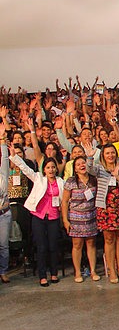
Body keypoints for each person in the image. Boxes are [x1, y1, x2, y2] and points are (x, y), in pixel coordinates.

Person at [10, 154, 64, 287]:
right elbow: (25, 169)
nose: (51, 170)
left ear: (56, 169)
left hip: (54, 217)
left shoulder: (61, 181)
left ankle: (53, 273)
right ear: (44, 169)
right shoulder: (39, 178)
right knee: (41, 247)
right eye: (48, 167)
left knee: (53, 246)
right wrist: (14, 157)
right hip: (38, 217)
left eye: (53, 167)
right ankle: (42, 276)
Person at [84, 142, 119, 283]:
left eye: (112, 153)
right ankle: (111, 270)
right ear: (103, 155)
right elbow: (89, 170)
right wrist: (90, 157)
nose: (110, 155)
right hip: (105, 208)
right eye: (107, 153)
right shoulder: (99, 169)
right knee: (109, 239)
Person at [61, 156, 100, 282]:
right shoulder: (71, 181)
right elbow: (65, 201)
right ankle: (77, 272)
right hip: (76, 217)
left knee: (91, 244)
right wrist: (65, 220)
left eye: (83, 163)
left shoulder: (94, 180)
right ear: (75, 169)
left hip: (91, 216)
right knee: (77, 245)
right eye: (78, 164)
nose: (82, 165)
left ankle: (93, 270)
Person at [0, 122, 10, 283]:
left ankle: (3, 271)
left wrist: (2, 140)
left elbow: (6, 159)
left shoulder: (2, 174)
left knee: (3, 246)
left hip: (3, 214)